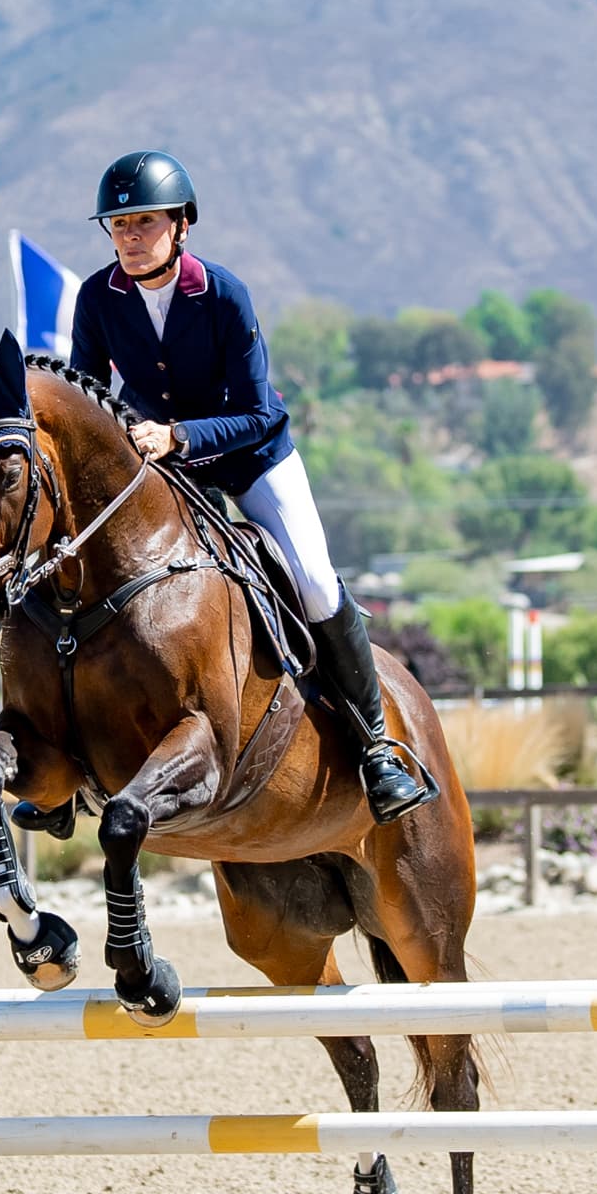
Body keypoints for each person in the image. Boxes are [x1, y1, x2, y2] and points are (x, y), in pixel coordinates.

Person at [66, 149, 428, 821]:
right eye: (117, 225)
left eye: (144, 222)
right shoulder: (97, 298)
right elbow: (89, 398)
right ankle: (72, 765)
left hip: (250, 456)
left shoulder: (223, 293)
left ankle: (376, 746)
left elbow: (260, 411)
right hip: (167, 470)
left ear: (180, 225)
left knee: (314, 581)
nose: (129, 237)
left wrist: (175, 435)